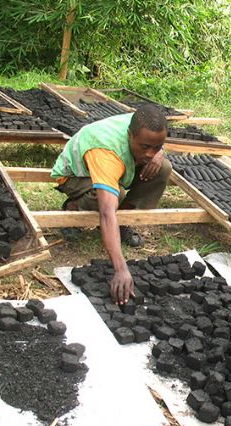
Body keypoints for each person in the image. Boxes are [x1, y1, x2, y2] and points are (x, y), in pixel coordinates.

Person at [51, 103, 172, 305]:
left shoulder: (144, 124)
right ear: (130, 136)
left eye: (156, 147)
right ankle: (73, 207)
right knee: (113, 197)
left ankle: (123, 223)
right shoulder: (105, 151)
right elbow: (107, 212)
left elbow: (154, 144)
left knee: (163, 168)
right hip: (76, 176)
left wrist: (160, 153)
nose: (150, 153)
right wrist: (120, 268)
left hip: (117, 167)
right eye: (145, 147)